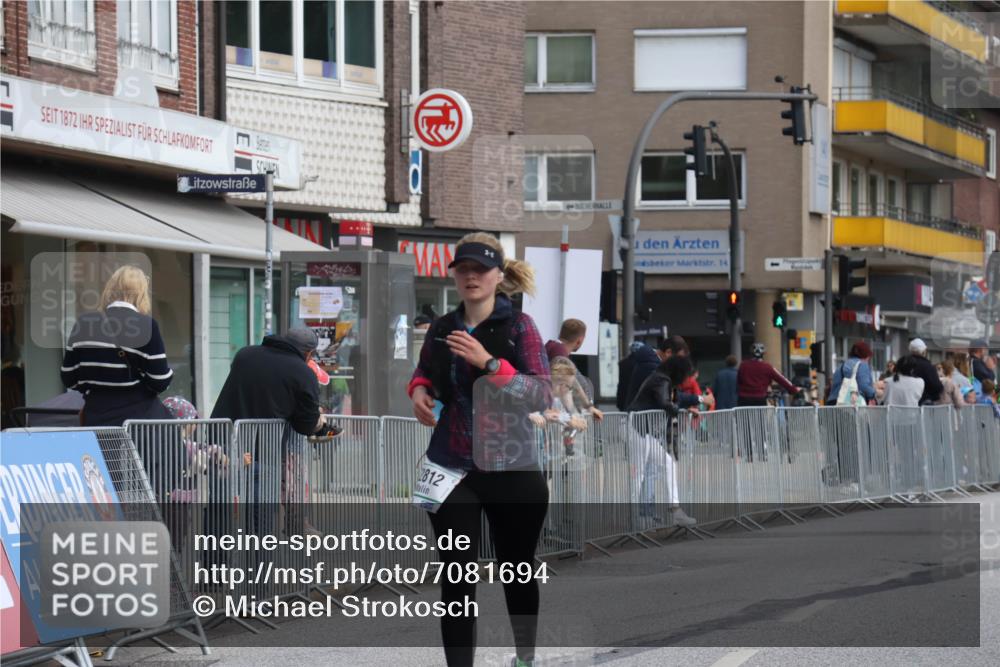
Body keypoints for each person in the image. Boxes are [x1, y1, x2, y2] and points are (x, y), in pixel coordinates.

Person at [407, 233, 550, 667]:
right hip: (452, 467)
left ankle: (525, 657)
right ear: (454, 274)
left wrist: (490, 364)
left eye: (480, 270)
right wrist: (418, 391)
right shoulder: (443, 327)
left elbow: (541, 395)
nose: (471, 277)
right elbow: (425, 370)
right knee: (456, 578)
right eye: (463, 269)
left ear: (498, 276)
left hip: (512, 466)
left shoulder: (519, 327)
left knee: (517, 570)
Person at [60, 265, 174, 426]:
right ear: (141, 294)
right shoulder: (146, 326)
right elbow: (160, 381)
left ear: (110, 290)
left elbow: (68, 377)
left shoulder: (84, 323)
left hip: (96, 419)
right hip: (136, 425)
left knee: (100, 452)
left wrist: (97, 386)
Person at [627, 355, 698, 527]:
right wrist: (679, 410)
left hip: (639, 429)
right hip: (638, 429)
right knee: (641, 472)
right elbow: (664, 402)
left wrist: (679, 408)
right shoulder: (662, 380)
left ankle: (674, 511)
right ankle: (636, 518)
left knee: (666, 464)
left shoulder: (659, 377)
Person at [736, 343, 798, 407]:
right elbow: (781, 379)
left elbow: (738, 381)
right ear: (763, 354)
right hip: (759, 399)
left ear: (751, 353)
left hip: (743, 399)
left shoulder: (743, 365)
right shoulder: (767, 367)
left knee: (743, 416)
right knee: (760, 416)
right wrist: (793, 390)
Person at [827, 341, 877, 406]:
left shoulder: (841, 366)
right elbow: (863, 385)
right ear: (866, 355)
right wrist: (873, 394)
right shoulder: (862, 365)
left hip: (833, 403)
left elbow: (834, 385)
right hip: (851, 404)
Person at [904, 338, 943, 405]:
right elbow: (937, 386)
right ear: (923, 351)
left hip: (905, 402)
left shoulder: (904, 364)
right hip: (924, 402)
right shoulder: (928, 366)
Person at [615, 341, 645, 411]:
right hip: (636, 398)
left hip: (623, 397)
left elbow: (621, 383)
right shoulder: (641, 363)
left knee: (626, 419)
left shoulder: (623, 363)